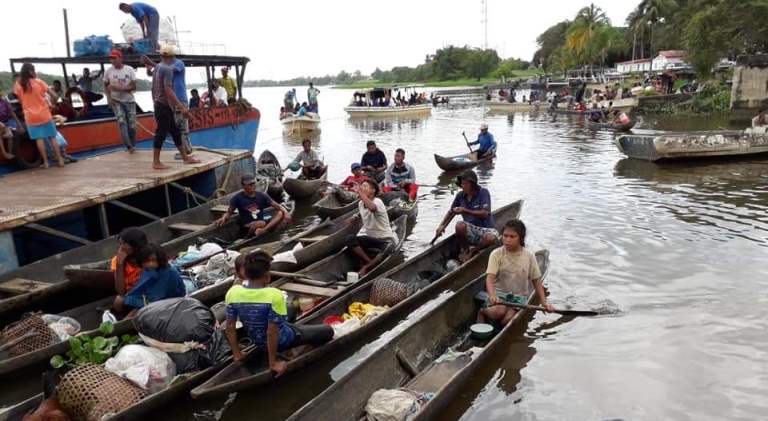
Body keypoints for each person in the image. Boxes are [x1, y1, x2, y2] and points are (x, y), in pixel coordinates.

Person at [224, 250, 334, 374]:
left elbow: (230, 326)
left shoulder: (233, 292)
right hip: (280, 340)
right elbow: (272, 332)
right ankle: (289, 347)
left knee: (291, 309)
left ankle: (289, 350)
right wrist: (273, 363)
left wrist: (237, 353)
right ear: (266, 276)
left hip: (256, 338)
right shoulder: (274, 295)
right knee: (328, 331)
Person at [477, 220, 553, 326]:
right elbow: (489, 278)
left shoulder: (529, 256)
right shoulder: (496, 254)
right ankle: (482, 312)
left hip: (518, 298)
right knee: (497, 312)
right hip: (499, 295)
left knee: (507, 321)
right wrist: (492, 295)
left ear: (520, 238)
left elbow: (536, 281)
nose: (507, 240)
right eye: (505, 236)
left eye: (512, 237)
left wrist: (544, 302)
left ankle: (497, 327)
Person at [147, 45, 199, 169]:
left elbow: (153, 88)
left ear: (161, 56)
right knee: (161, 132)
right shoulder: (167, 69)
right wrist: (182, 107)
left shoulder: (158, 67)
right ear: (172, 56)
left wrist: (155, 101)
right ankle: (156, 162)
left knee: (175, 131)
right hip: (163, 105)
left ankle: (185, 157)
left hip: (161, 104)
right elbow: (169, 90)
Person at [435, 170, 498, 261]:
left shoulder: (483, 192)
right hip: (470, 231)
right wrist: (442, 226)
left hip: (485, 230)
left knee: (491, 238)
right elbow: (451, 212)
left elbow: (484, 214)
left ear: (472, 184)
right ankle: (465, 249)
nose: (462, 186)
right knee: (459, 225)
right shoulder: (460, 195)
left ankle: (473, 250)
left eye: (465, 184)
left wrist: (465, 211)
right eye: (462, 184)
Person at [13, 63, 65, 168]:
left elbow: (20, 100)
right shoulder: (39, 82)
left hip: (30, 116)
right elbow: (54, 95)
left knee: (39, 139)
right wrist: (53, 104)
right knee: (52, 137)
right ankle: (60, 161)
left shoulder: (18, 85)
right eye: (34, 70)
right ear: (31, 71)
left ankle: (46, 162)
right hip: (44, 114)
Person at [114, 243, 185, 315]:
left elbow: (157, 297)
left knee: (136, 311)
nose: (150, 264)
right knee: (119, 300)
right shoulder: (148, 270)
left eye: (154, 260)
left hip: (171, 300)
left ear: (160, 259)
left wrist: (136, 304)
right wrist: (127, 299)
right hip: (152, 298)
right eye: (147, 261)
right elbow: (140, 288)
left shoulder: (168, 272)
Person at [346, 179, 398, 276]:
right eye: (362, 186)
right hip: (371, 238)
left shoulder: (377, 201)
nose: (362, 188)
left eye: (365, 186)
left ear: (373, 190)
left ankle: (367, 267)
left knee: (389, 247)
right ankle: (369, 262)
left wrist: (360, 193)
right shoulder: (361, 203)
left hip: (384, 239)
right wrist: (354, 217)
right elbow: (363, 211)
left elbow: (372, 208)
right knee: (350, 239)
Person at [144, 53, 192, 155]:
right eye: (163, 56)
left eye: (165, 56)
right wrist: (149, 68)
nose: (164, 58)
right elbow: (155, 74)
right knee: (174, 128)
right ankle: (184, 153)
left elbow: (170, 70)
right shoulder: (162, 66)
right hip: (168, 102)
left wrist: (151, 63)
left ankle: (186, 150)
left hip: (179, 98)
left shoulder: (179, 63)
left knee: (181, 126)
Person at [216, 174, 291, 236]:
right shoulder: (237, 198)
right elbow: (229, 212)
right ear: (243, 186)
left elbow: (278, 206)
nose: (253, 186)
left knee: (280, 213)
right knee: (260, 223)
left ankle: (263, 231)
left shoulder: (262, 195)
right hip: (247, 226)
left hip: (262, 224)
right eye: (249, 184)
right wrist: (223, 218)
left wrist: (286, 212)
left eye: (254, 183)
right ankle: (248, 237)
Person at [105, 49, 138, 153]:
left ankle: (132, 144)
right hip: (116, 101)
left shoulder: (129, 69)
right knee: (122, 122)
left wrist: (119, 88)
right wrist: (109, 98)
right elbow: (106, 85)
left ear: (120, 58)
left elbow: (134, 86)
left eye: (115, 58)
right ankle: (129, 147)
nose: (113, 60)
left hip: (129, 101)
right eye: (111, 58)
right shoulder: (108, 71)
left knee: (132, 125)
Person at [111, 227, 148, 301]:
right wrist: (119, 265)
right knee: (119, 300)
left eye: (124, 244)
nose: (120, 248)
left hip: (148, 292)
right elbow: (121, 291)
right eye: (120, 243)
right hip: (132, 295)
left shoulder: (148, 257)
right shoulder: (116, 260)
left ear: (135, 247)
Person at [0, 92, 24, 160]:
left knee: (12, 134)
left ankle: (10, 153)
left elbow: (12, 113)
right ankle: (4, 153)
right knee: (4, 130)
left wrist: (19, 124)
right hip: (2, 124)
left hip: (7, 121)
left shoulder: (4, 102)